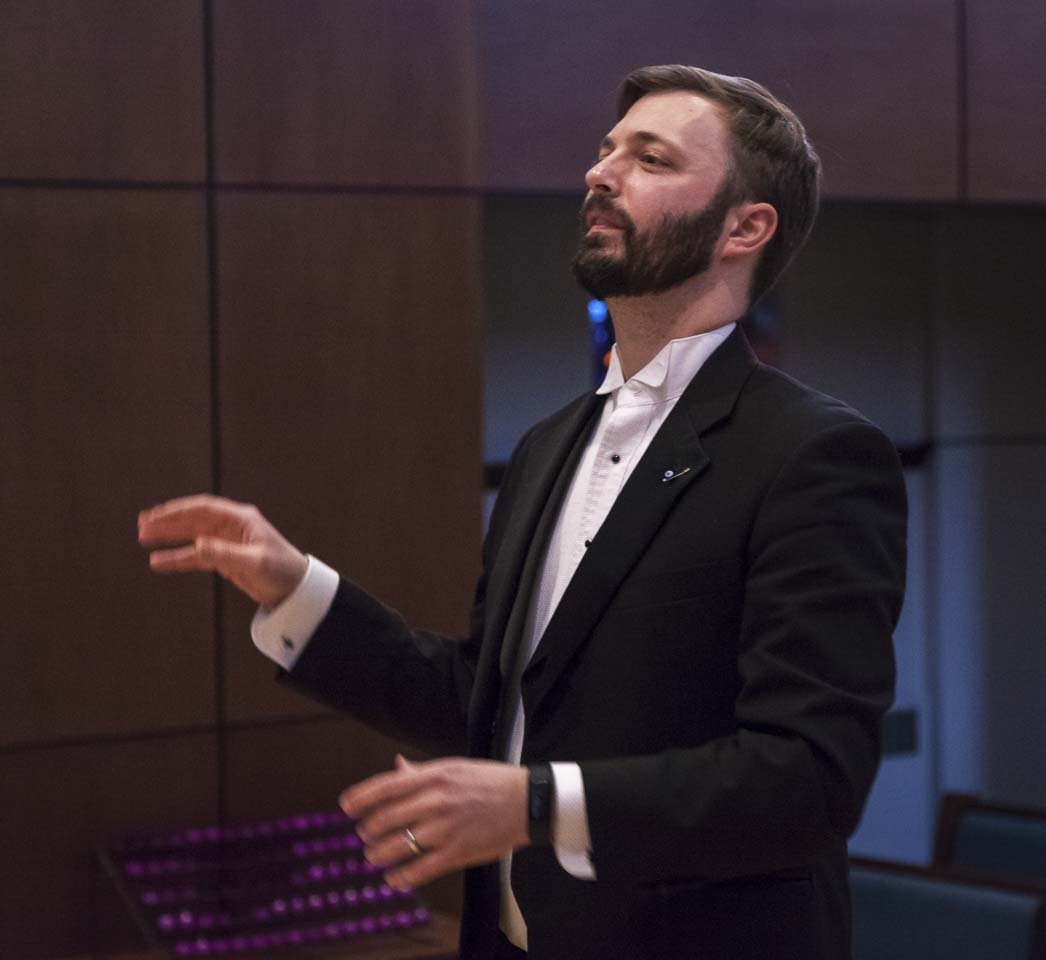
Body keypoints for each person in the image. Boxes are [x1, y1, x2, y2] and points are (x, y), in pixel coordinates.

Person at [138, 65, 907, 960]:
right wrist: (298, 589)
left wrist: (535, 806)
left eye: (651, 158)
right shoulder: (549, 445)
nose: (601, 172)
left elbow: (811, 779)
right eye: (606, 149)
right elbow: (486, 703)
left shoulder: (813, 455)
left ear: (745, 226)